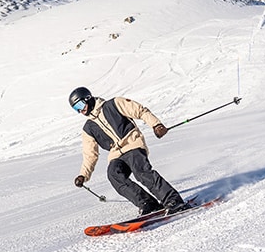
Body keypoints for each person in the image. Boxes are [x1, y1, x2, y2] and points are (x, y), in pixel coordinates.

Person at [69, 86, 189, 215]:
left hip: (133, 144)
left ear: (88, 98)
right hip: (116, 154)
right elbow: (90, 155)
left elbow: (140, 111)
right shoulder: (88, 128)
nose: (81, 110)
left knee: (141, 172)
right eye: (76, 109)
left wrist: (156, 125)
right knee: (114, 175)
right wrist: (83, 175)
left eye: (80, 104)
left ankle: (174, 200)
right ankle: (147, 203)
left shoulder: (114, 104)